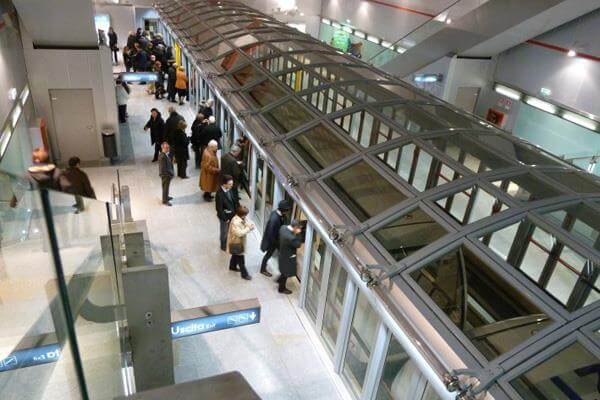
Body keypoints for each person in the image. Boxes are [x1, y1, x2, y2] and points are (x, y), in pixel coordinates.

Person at [259, 200, 292, 277]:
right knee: (269, 255)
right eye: (287, 210)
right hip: (273, 241)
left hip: (277, 240)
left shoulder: (277, 213)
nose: (288, 212)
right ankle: (263, 269)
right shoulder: (274, 219)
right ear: (284, 210)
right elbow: (271, 233)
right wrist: (277, 243)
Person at [227, 206, 255, 281]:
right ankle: (244, 275)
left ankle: (232, 267)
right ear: (241, 214)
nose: (246, 216)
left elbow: (245, 222)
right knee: (241, 260)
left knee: (235, 255)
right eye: (245, 214)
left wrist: (249, 225)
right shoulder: (235, 222)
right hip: (236, 243)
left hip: (237, 242)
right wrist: (249, 228)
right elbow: (239, 233)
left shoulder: (240, 218)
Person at [277, 220, 303, 294]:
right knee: (286, 273)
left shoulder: (283, 228)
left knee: (283, 270)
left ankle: (279, 280)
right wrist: (298, 234)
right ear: (295, 227)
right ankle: (281, 289)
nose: (299, 229)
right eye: (298, 228)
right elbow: (298, 245)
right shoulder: (291, 238)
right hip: (287, 257)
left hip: (282, 253)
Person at [215, 175, 239, 251]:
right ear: (224, 184)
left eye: (232, 184)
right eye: (230, 184)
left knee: (230, 230)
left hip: (232, 215)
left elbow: (234, 201)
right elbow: (219, 209)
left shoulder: (230, 189)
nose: (231, 186)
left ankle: (228, 242)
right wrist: (225, 219)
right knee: (224, 232)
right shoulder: (219, 194)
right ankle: (223, 246)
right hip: (225, 218)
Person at [158, 142, 174, 206]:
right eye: (167, 148)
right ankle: (165, 200)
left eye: (168, 147)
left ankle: (166, 197)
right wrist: (169, 174)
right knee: (165, 188)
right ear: (163, 148)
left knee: (166, 187)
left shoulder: (165, 154)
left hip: (167, 175)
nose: (168, 149)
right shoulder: (162, 157)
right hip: (166, 175)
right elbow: (163, 169)